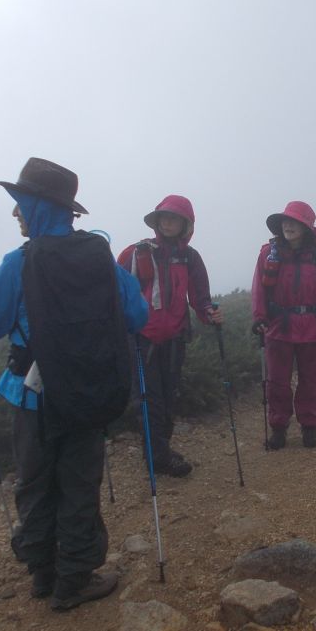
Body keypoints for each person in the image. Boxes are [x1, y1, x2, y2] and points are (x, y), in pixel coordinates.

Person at [0, 157, 148, 611]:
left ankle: (43, 574)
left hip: (31, 399)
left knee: (35, 484)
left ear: (38, 207)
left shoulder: (20, 264)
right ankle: (74, 578)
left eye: (20, 203)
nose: (15, 213)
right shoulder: (99, 257)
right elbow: (136, 316)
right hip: (87, 394)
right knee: (77, 485)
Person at [117, 195, 223, 477]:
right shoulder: (135, 253)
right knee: (148, 397)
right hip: (141, 339)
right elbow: (117, 292)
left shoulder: (190, 257)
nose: (167, 221)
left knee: (168, 395)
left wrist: (209, 314)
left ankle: (160, 448)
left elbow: (200, 298)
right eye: (163, 216)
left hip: (175, 338)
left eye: (174, 217)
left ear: (185, 224)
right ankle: (158, 456)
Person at [251, 201, 316, 449]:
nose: (288, 225)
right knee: (277, 381)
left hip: (312, 328)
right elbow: (258, 288)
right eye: (285, 222)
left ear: (306, 227)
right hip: (278, 328)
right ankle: (278, 428)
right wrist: (259, 317)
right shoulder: (268, 255)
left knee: (311, 380)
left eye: (294, 222)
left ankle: (309, 427)